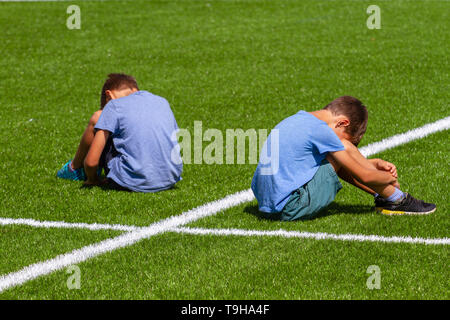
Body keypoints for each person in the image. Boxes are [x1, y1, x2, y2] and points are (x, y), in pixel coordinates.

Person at [251, 96, 436, 220]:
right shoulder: (322, 131)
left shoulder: (299, 119)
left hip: (267, 205)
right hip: (291, 207)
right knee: (343, 148)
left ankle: (385, 196)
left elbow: (310, 163)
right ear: (342, 122)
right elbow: (365, 176)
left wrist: (373, 163)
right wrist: (389, 179)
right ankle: (398, 199)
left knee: (340, 152)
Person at [57, 73, 182, 192]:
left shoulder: (114, 106)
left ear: (108, 96)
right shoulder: (161, 101)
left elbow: (90, 163)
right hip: (170, 178)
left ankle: (74, 168)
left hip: (132, 181)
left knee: (97, 117)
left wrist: (93, 180)